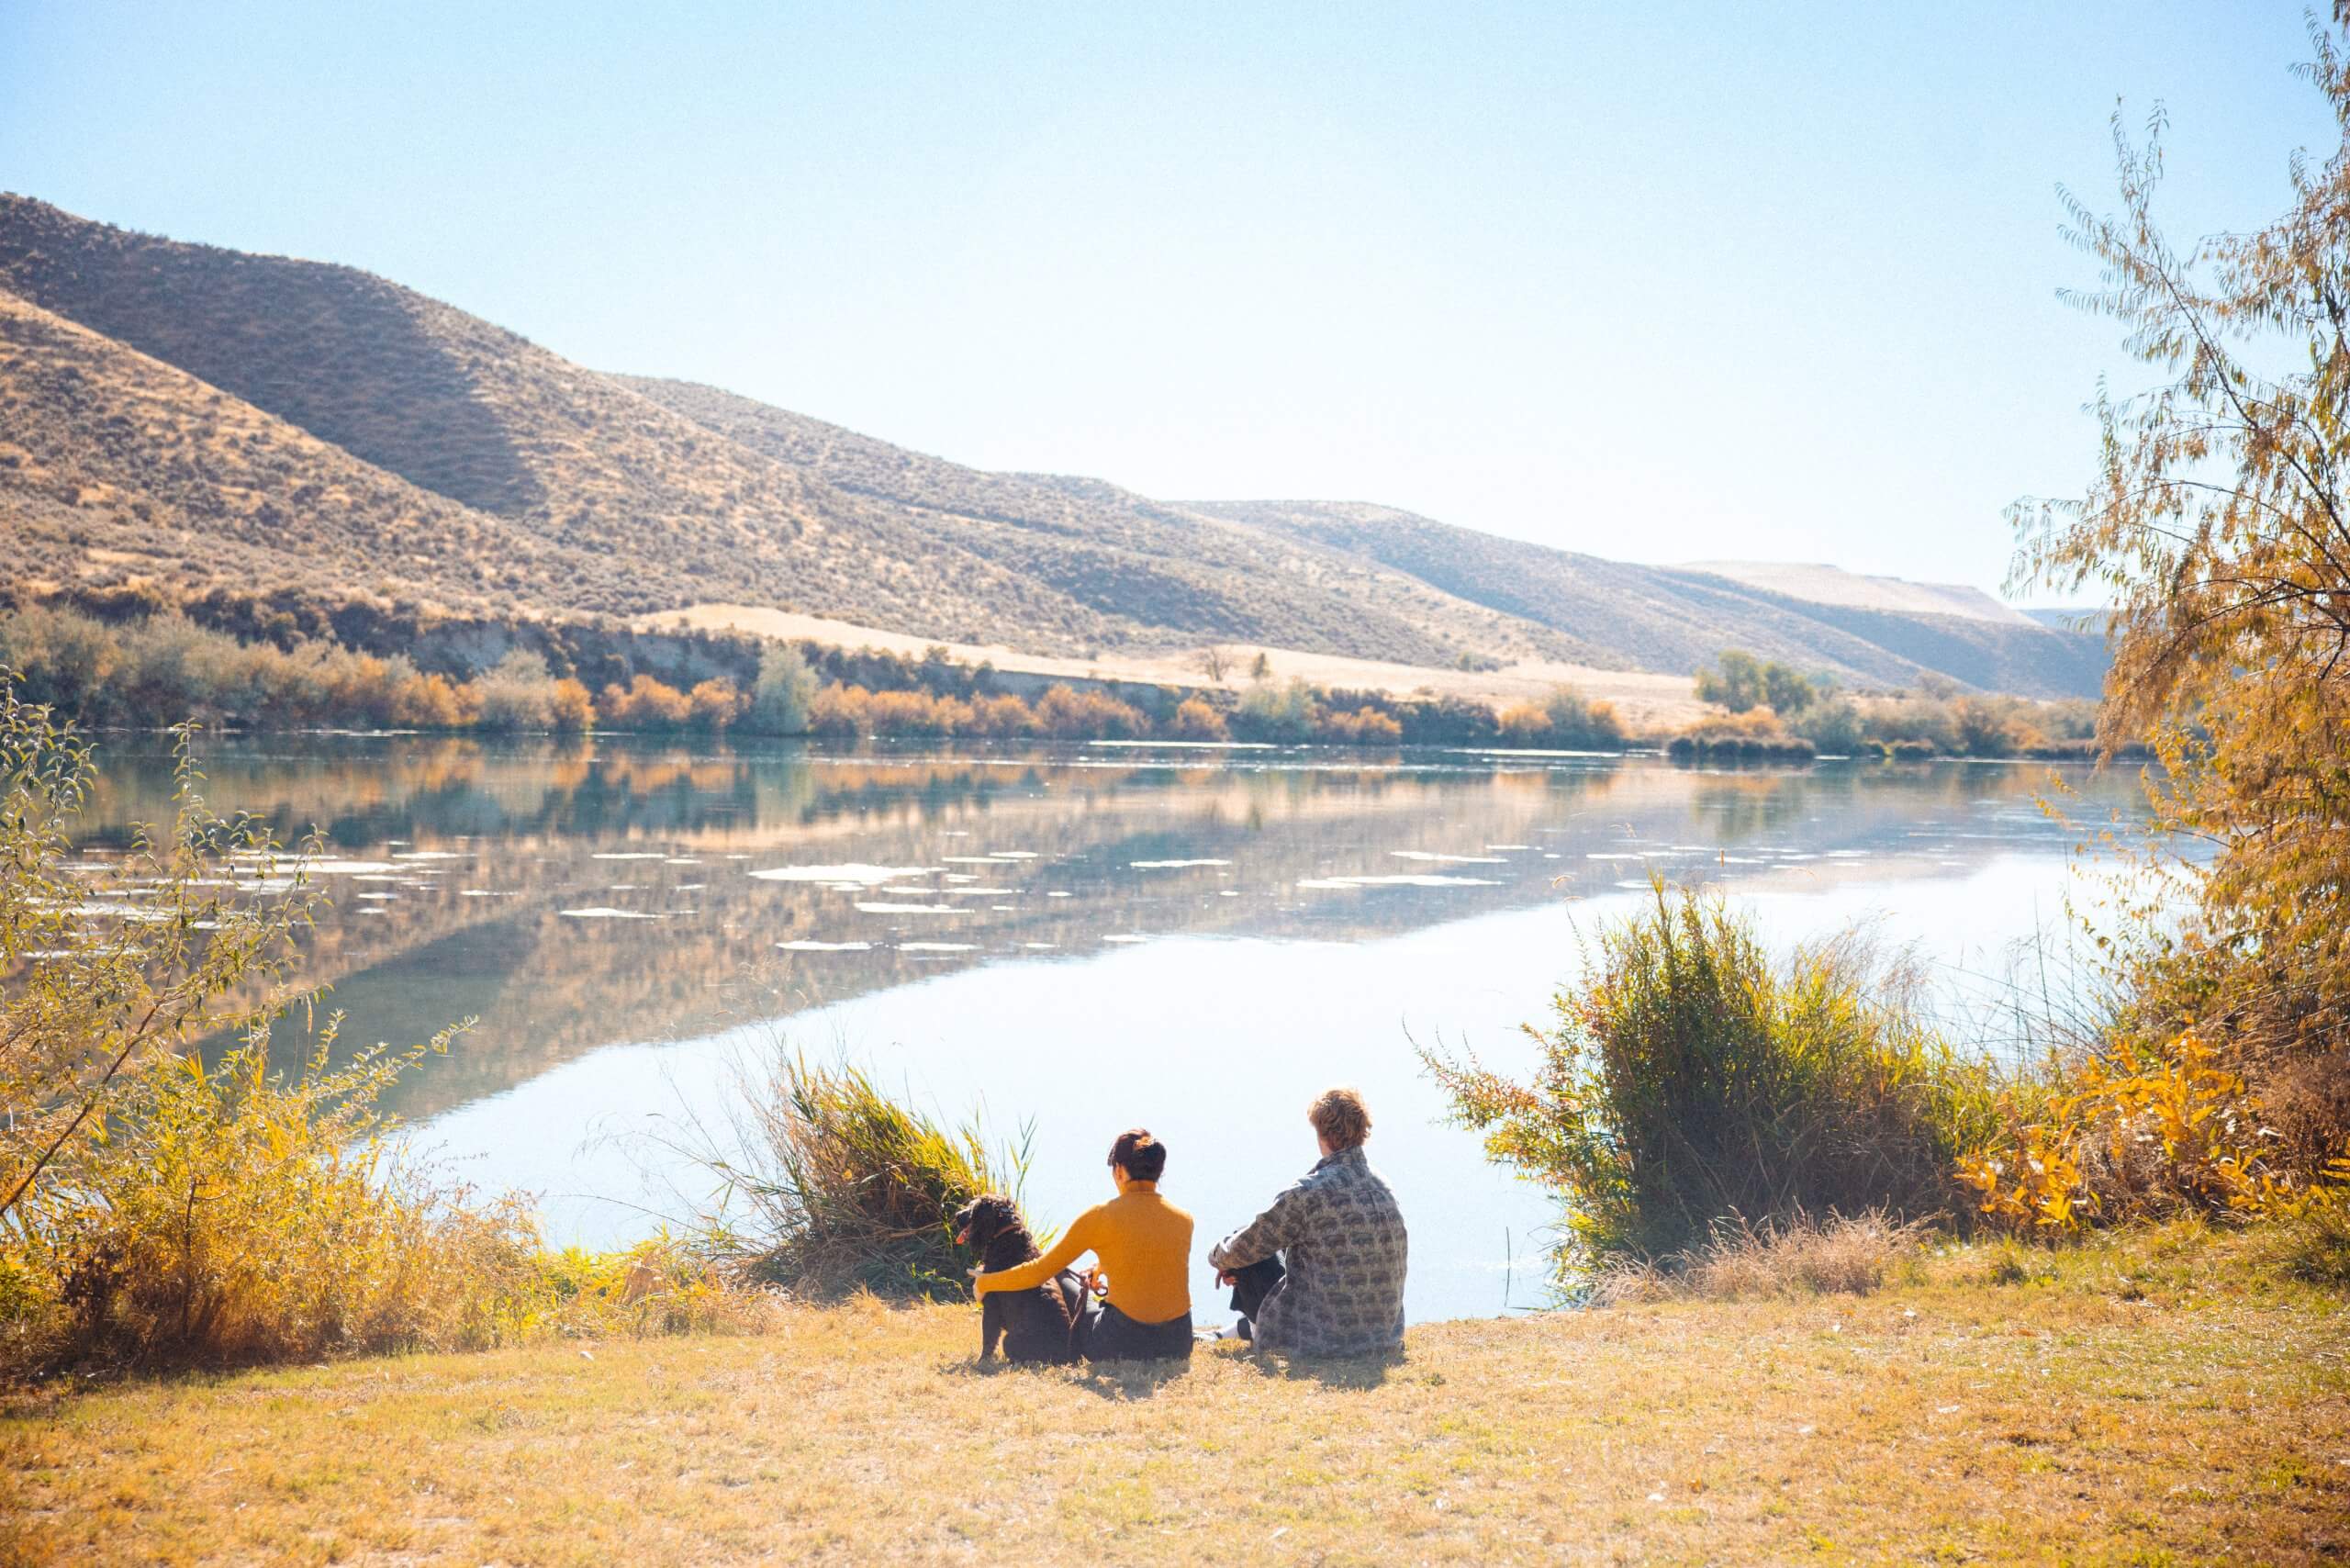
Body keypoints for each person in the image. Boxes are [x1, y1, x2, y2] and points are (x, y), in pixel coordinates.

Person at [1209, 1086, 1407, 1357]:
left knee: (1244, 1249)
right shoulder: (1383, 1185)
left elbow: (1245, 1247)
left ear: (1322, 1133)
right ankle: (1244, 1328)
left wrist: (1219, 1258)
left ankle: (1256, 1330)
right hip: (1383, 1334)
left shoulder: (1309, 1192)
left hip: (1322, 1337)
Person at [971, 1127, 1194, 1361]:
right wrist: (1099, 1269)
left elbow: (1037, 1272)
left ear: (1118, 1170)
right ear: (1160, 1170)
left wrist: (986, 1282)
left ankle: (1053, 1340)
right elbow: (1151, 1256)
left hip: (1121, 1345)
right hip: (1177, 1344)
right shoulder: (1184, 1218)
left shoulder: (1100, 1216)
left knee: (1057, 1269)